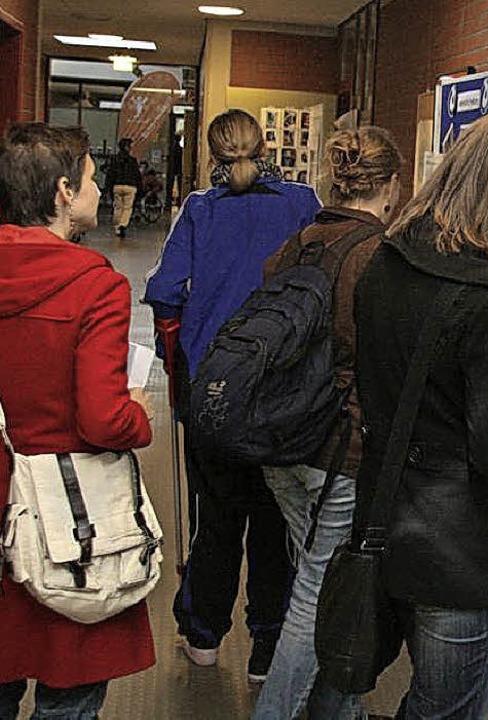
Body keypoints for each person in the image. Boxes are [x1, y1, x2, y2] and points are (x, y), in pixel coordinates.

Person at [319, 105, 488, 719]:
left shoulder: (390, 258)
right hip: (463, 554)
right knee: (446, 711)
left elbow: (412, 372)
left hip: (389, 521)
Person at [145, 109, 320, 682]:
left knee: (217, 516)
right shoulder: (301, 202)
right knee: (274, 519)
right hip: (282, 386)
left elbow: (167, 292)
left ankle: (203, 635)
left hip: (213, 387)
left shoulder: (200, 208)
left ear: (212, 154)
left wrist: (182, 356)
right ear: (265, 146)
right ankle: (267, 647)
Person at [0, 123, 155, 718]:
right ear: (64, 191)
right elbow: (102, 420)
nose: (97, 190)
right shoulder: (95, 287)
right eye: (92, 178)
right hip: (68, 517)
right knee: (68, 694)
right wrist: (137, 415)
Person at [253, 126, 403, 720]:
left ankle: (339, 712)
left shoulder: (298, 243)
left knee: (319, 584)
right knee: (319, 596)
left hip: (281, 442)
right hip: (339, 450)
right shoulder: (379, 258)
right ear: (392, 186)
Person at [106, 137, 141, 239]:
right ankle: (123, 224)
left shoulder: (114, 160)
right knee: (127, 207)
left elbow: (110, 174)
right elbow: (137, 175)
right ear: (127, 147)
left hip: (117, 185)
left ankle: (117, 227)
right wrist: (139, 187)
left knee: (117, 207)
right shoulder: (132, 161)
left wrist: (109, 186)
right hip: (130, 186)